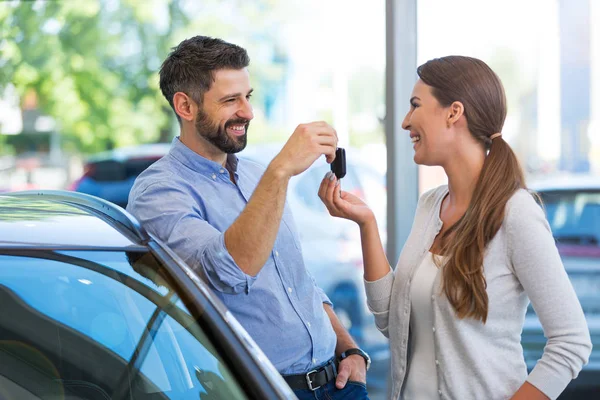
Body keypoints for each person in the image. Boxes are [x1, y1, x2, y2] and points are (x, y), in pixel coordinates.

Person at [318, 55, 592, 400]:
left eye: (416, 105)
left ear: (454, 112)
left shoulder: (516, 213)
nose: (405, 122)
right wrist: (367, 224)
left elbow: (571, 342)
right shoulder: (430, 204)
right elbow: (392, 323)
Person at [126, 35, 370, 400]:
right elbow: (228, 271)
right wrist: (282, 170)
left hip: (338, 383)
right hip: (260, 392)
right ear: (185, 106)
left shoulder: (258, 175)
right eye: (230, 100)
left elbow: (299, 282)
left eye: (248, 97)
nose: (248, 112)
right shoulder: (159, 192)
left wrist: (349, 349)